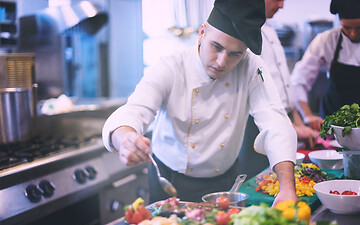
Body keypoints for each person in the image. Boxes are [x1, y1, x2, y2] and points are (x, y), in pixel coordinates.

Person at [102, 0, 297, 206]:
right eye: (217, 47)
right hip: (169, 181)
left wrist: (287, 187)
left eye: (235, 54)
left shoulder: (251, 66)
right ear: (202, 33)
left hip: (226, 181)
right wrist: (125, 138)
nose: (222, 62)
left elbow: (276, 122)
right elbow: (134, 110)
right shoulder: (172, 67)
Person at [238, 0, 319, 178]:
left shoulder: (270, 29)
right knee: (260, 185)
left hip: (283, 124)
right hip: (257, 129)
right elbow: (254, 96)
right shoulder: (242, 31)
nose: (281, 6)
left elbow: (284, 84)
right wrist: (293, 129)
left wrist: (296, 122)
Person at [291, 0, 360, 131]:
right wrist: (308, 116)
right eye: (347, 28)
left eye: (359, 28)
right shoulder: (326, 41)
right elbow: (298, 80)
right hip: (333, 126)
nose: (353, 34)